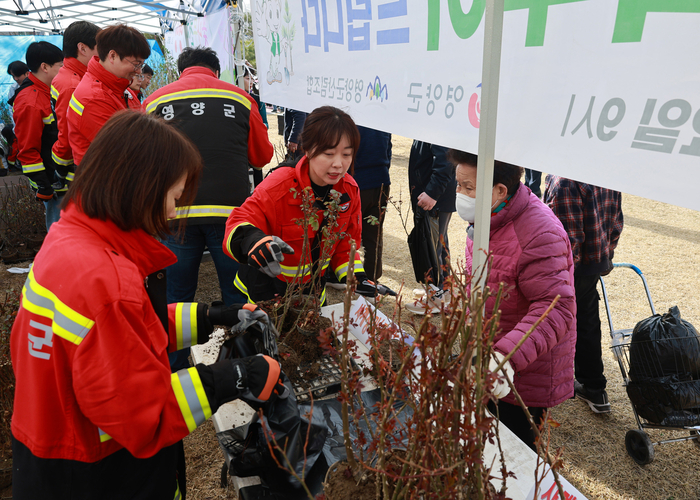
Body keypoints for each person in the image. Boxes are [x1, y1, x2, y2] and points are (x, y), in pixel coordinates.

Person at [10, 110, 288, 500]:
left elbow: (123, 335)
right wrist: (233, 377)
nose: (175, 212)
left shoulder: (70, 243)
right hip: (99, 471)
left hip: (49, 447)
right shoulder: (107, 282)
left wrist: (213, 316)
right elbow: (145, 415)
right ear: (139, 188)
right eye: (175, 197)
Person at [144, 46, 273, 369]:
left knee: (175, 297)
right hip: (231, 216)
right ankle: (247, 366)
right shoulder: (242, 99)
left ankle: (173, 369)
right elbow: (261, 157)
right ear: (215, 71)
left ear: (181, 71)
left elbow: (142, 159)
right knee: (237, 293)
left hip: (176, 214)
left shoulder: (155, 101)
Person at [447, 149, 576, 450]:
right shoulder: (488, 216)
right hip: (488, 360)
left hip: (523, 371)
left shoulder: (538, 232)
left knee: (511, 457)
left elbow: (555, 308)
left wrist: (504, 358)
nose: (460, 194)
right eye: (458, 185)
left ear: (500, 190)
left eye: (468, 188)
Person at [223, 106, 388, 304]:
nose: (338, 164)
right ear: (308, 150)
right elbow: (239, 221)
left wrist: (356, 278)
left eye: (346, 154)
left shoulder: (349, 190)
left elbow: (345, 245)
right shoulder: (280, 185)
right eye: (328, 153)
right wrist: (254, 241)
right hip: (267, 289)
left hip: (312, 290)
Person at [544, 176, 624, 414]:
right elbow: (616, 223)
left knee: (551, 321)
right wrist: (606, 254)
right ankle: (594, 387)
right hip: (594, 262)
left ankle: (555, 385)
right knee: (587, 320)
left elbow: (566, 238)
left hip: (570, 267)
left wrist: (562, 274)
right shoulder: (605, 172)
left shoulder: (564, 180)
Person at [67, 23, 150, 167]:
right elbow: (126, 151)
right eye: (136, 64)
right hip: (104, 184)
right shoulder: (93, 98)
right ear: (112, 56)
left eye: (141, 65)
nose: (138, 72)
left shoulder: (121, 86)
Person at [10, 41, 65, 231]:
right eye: (61, 66)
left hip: (59, 177)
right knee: (60, 234)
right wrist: (44, 186)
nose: (63, 71)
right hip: (52, 183)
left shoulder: (46, 91)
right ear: (45, 67)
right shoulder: (30, 101)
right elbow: (27, 149)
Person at [51, 21, 101, 188]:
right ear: (83, 48)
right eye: (99, 48)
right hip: (78, 170)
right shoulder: (73, 85)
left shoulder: (69, 76)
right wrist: (61, 168)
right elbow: (67, 132)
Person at [408, 141, 457, 286]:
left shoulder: (437, 126)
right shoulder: (428, 126)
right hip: (432, 195)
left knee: (433, 247)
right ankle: (445, 289)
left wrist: (432, 193)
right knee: (439, 243)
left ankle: (437, 293)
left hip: (435, 198)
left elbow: (445, 161)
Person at [352, 125, 392, 282]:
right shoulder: (380, 120)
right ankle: (372, 276)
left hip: (359, 181)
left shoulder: (353, 121)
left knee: (350, 231)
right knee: (374, 234)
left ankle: (352, 276)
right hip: (381, 180)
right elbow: (388, 148)